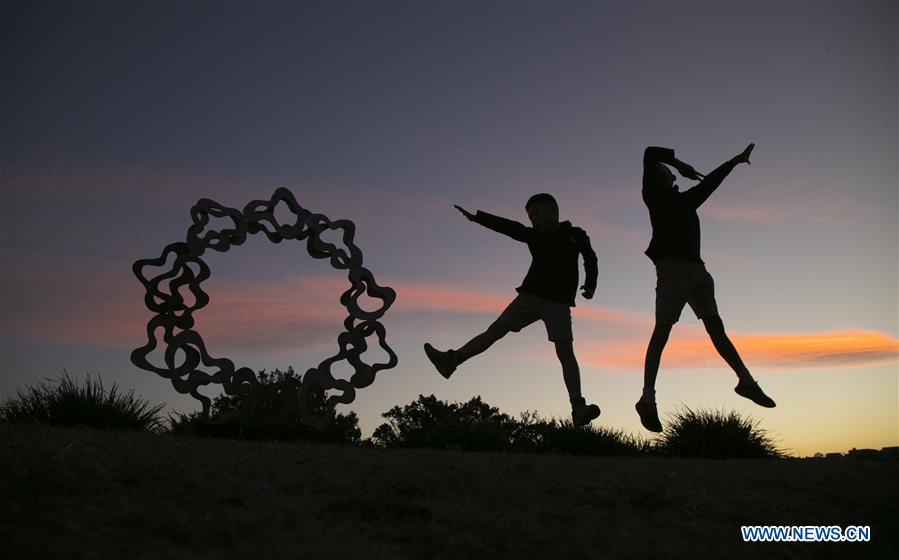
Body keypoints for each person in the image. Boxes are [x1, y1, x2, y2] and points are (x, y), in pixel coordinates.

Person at [423, 193, 602, 427]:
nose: (533, 219)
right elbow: (510, 228)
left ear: (553, 211)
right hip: (530, 297)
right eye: (530, 216)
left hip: (558, 303)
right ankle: (452, 360)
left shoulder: (576, 235)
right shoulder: (533, 236)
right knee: (495, 331)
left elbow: (591, 258)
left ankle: (578, 408)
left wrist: (590, 285)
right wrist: (478, 218)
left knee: (566, 354)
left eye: (536, 213)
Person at [636, 143, 776, 432]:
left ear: (671, 181)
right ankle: (647, 399)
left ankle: (746, 382)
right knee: (662, 332)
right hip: (671, 270)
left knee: (716, 329)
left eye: (665, 172)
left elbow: (712, 181)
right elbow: (650, 154)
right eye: (661, 171)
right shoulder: (653, 196)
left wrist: (735, 161)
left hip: (698, 271)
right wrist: (679, 163)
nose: (660, 172)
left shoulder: (687, 201)